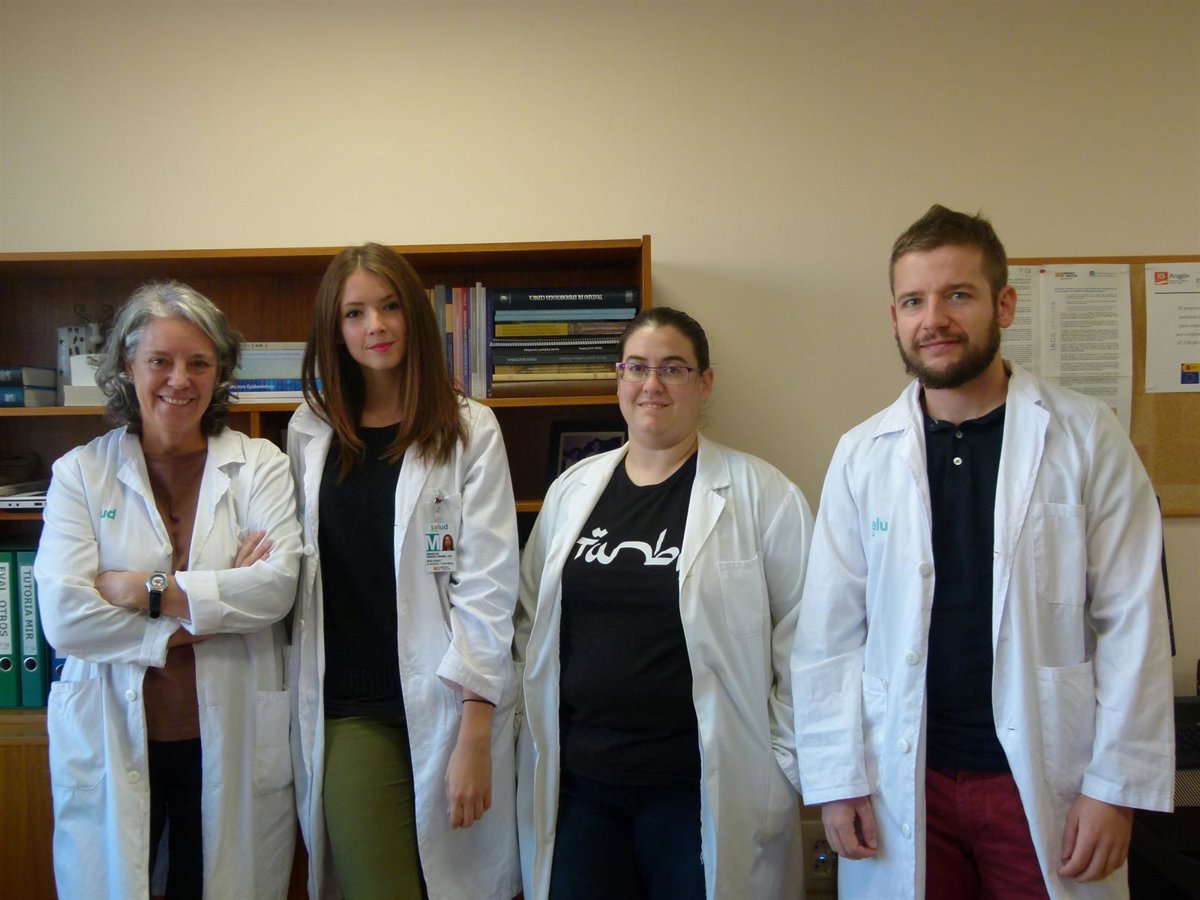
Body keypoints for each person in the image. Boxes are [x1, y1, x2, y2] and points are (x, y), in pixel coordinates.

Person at [790, 204, 1175, 899]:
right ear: (894, 317)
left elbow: (1134, 620)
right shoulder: (861, 454)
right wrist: (836, 778)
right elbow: (828, 634)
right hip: (906, 776)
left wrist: (1115, 787)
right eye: (914, 301)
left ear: (1004, 305)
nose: (933, 319)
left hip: (1041, 777)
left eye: (958, 295)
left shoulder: (1086, 436)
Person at [515, 307, 814, 900]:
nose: (652, 384)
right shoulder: (571, 491)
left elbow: (807, 642)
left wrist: (781, 767)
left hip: (700, 793)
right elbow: (530, 625)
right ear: (618, 378)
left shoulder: (764, 495)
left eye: (673, 369)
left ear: (705, 383)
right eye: (637, 367)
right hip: (581, 790)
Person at [35, 281, 302, 899]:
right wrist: (208, 612)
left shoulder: (260, 464)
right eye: (160, 360)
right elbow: (65, 619)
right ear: (128, 367)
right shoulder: (81, 473)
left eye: (198, 363)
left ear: (220, 372)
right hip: (115, 734)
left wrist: (140, 589)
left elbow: (275, 590)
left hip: (228, 736)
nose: (179, 380)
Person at [288, 243, 520, 900]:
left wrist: (476, 729)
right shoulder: (309, 431)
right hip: (349, 708)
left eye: (390, 307)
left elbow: (488, 585)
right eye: (355, 313)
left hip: (448, 703)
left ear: (415, 317)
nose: (376, 326)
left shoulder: (471, 429)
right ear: (334, 329)